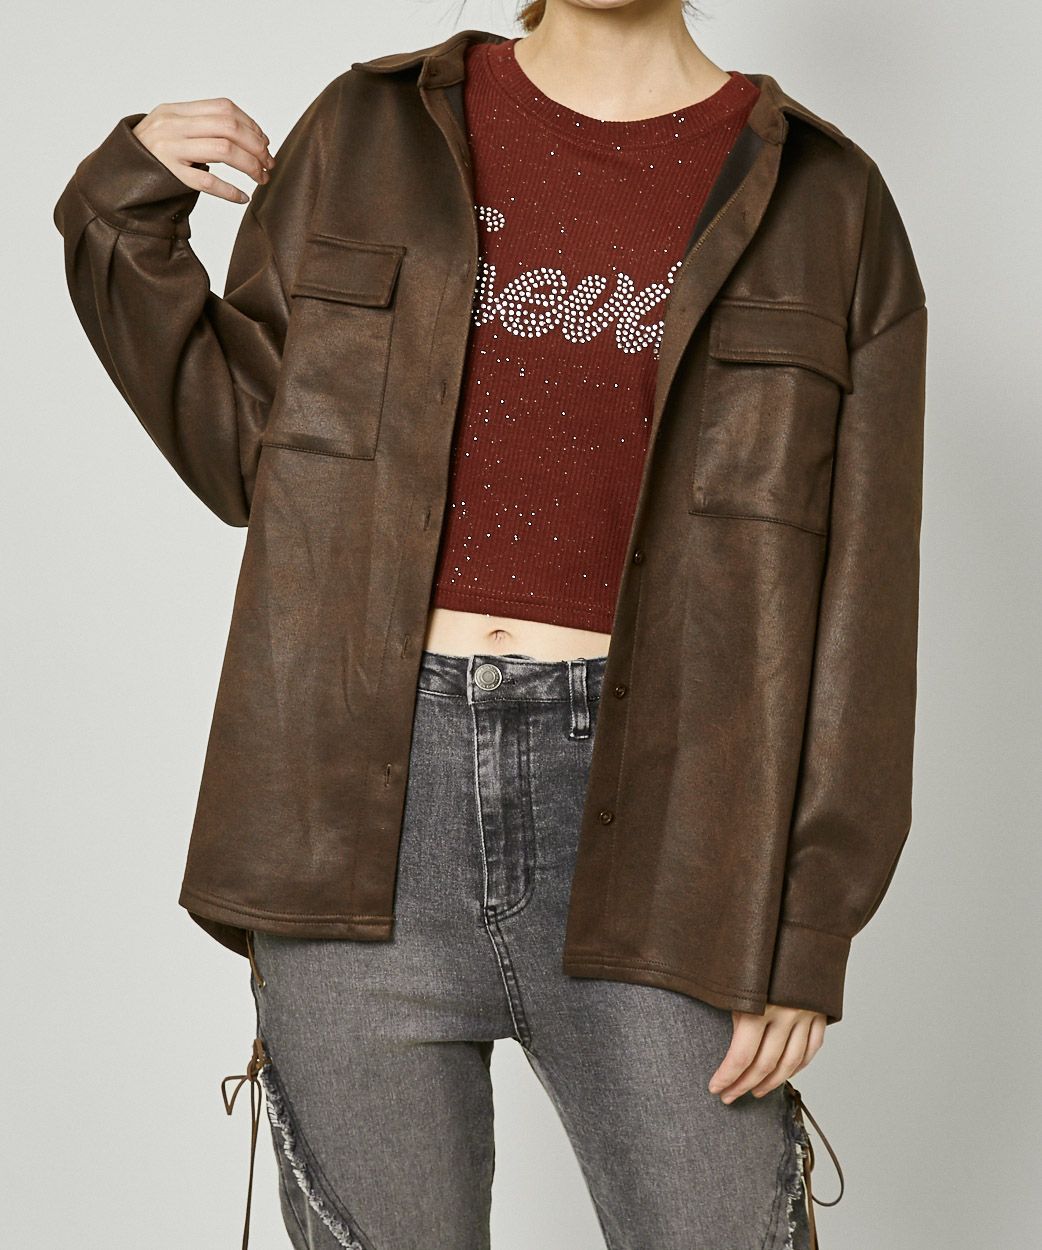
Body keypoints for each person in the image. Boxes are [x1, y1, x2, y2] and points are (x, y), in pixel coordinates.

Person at [54, 0, 928, 1246]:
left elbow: (864, 598)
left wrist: (806, 924)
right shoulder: (369, 131)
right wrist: (123, 208)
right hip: (354, 816)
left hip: (675, 832)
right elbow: (248, 449)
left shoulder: (826, 200)